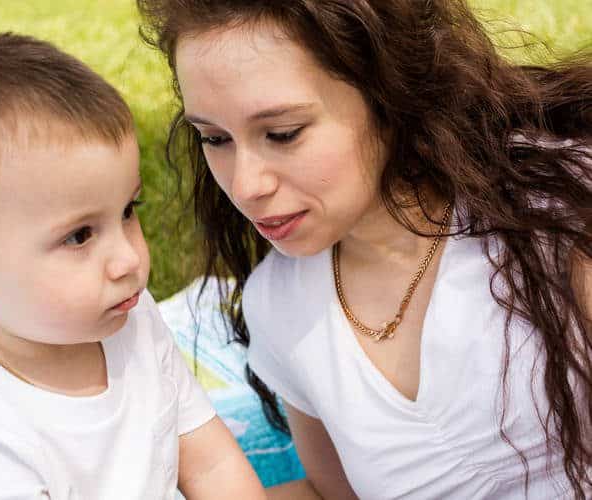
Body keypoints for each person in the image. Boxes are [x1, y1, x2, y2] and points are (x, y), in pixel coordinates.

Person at [137, 1, 592, 498]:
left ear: (388, 95)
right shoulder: (280, 303)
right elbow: (333, 493)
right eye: (214, 138)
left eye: (282, 134)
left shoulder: (556, 213)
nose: (245, 186)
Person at [0, 32, 265, 500]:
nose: (129, 258)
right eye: (79, 236)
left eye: (129, 211)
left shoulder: (131, 318)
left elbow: (209, 464)